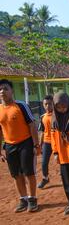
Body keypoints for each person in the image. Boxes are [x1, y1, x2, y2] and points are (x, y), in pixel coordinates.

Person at [0, 79, 40, 213]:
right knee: (16, 175)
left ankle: (32, 199)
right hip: (9, 146)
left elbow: (32, 125)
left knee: (29, 173)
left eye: (5, 88)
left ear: (12, 91)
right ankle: (23, 199)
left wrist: (36, 144)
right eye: (0, 89)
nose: (2, 91)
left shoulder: (21, 106)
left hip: (25, 143)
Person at [38, 95, 54, 189]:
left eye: (50, 104)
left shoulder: (58, 115)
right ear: (43, 105)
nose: (48, 106)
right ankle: (45, 178)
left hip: (58, 142)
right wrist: (40, 144)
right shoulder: (42, 117)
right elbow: (43, 131)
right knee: (44, 162)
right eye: (46, 104)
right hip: (47, 142)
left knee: (62, 162)